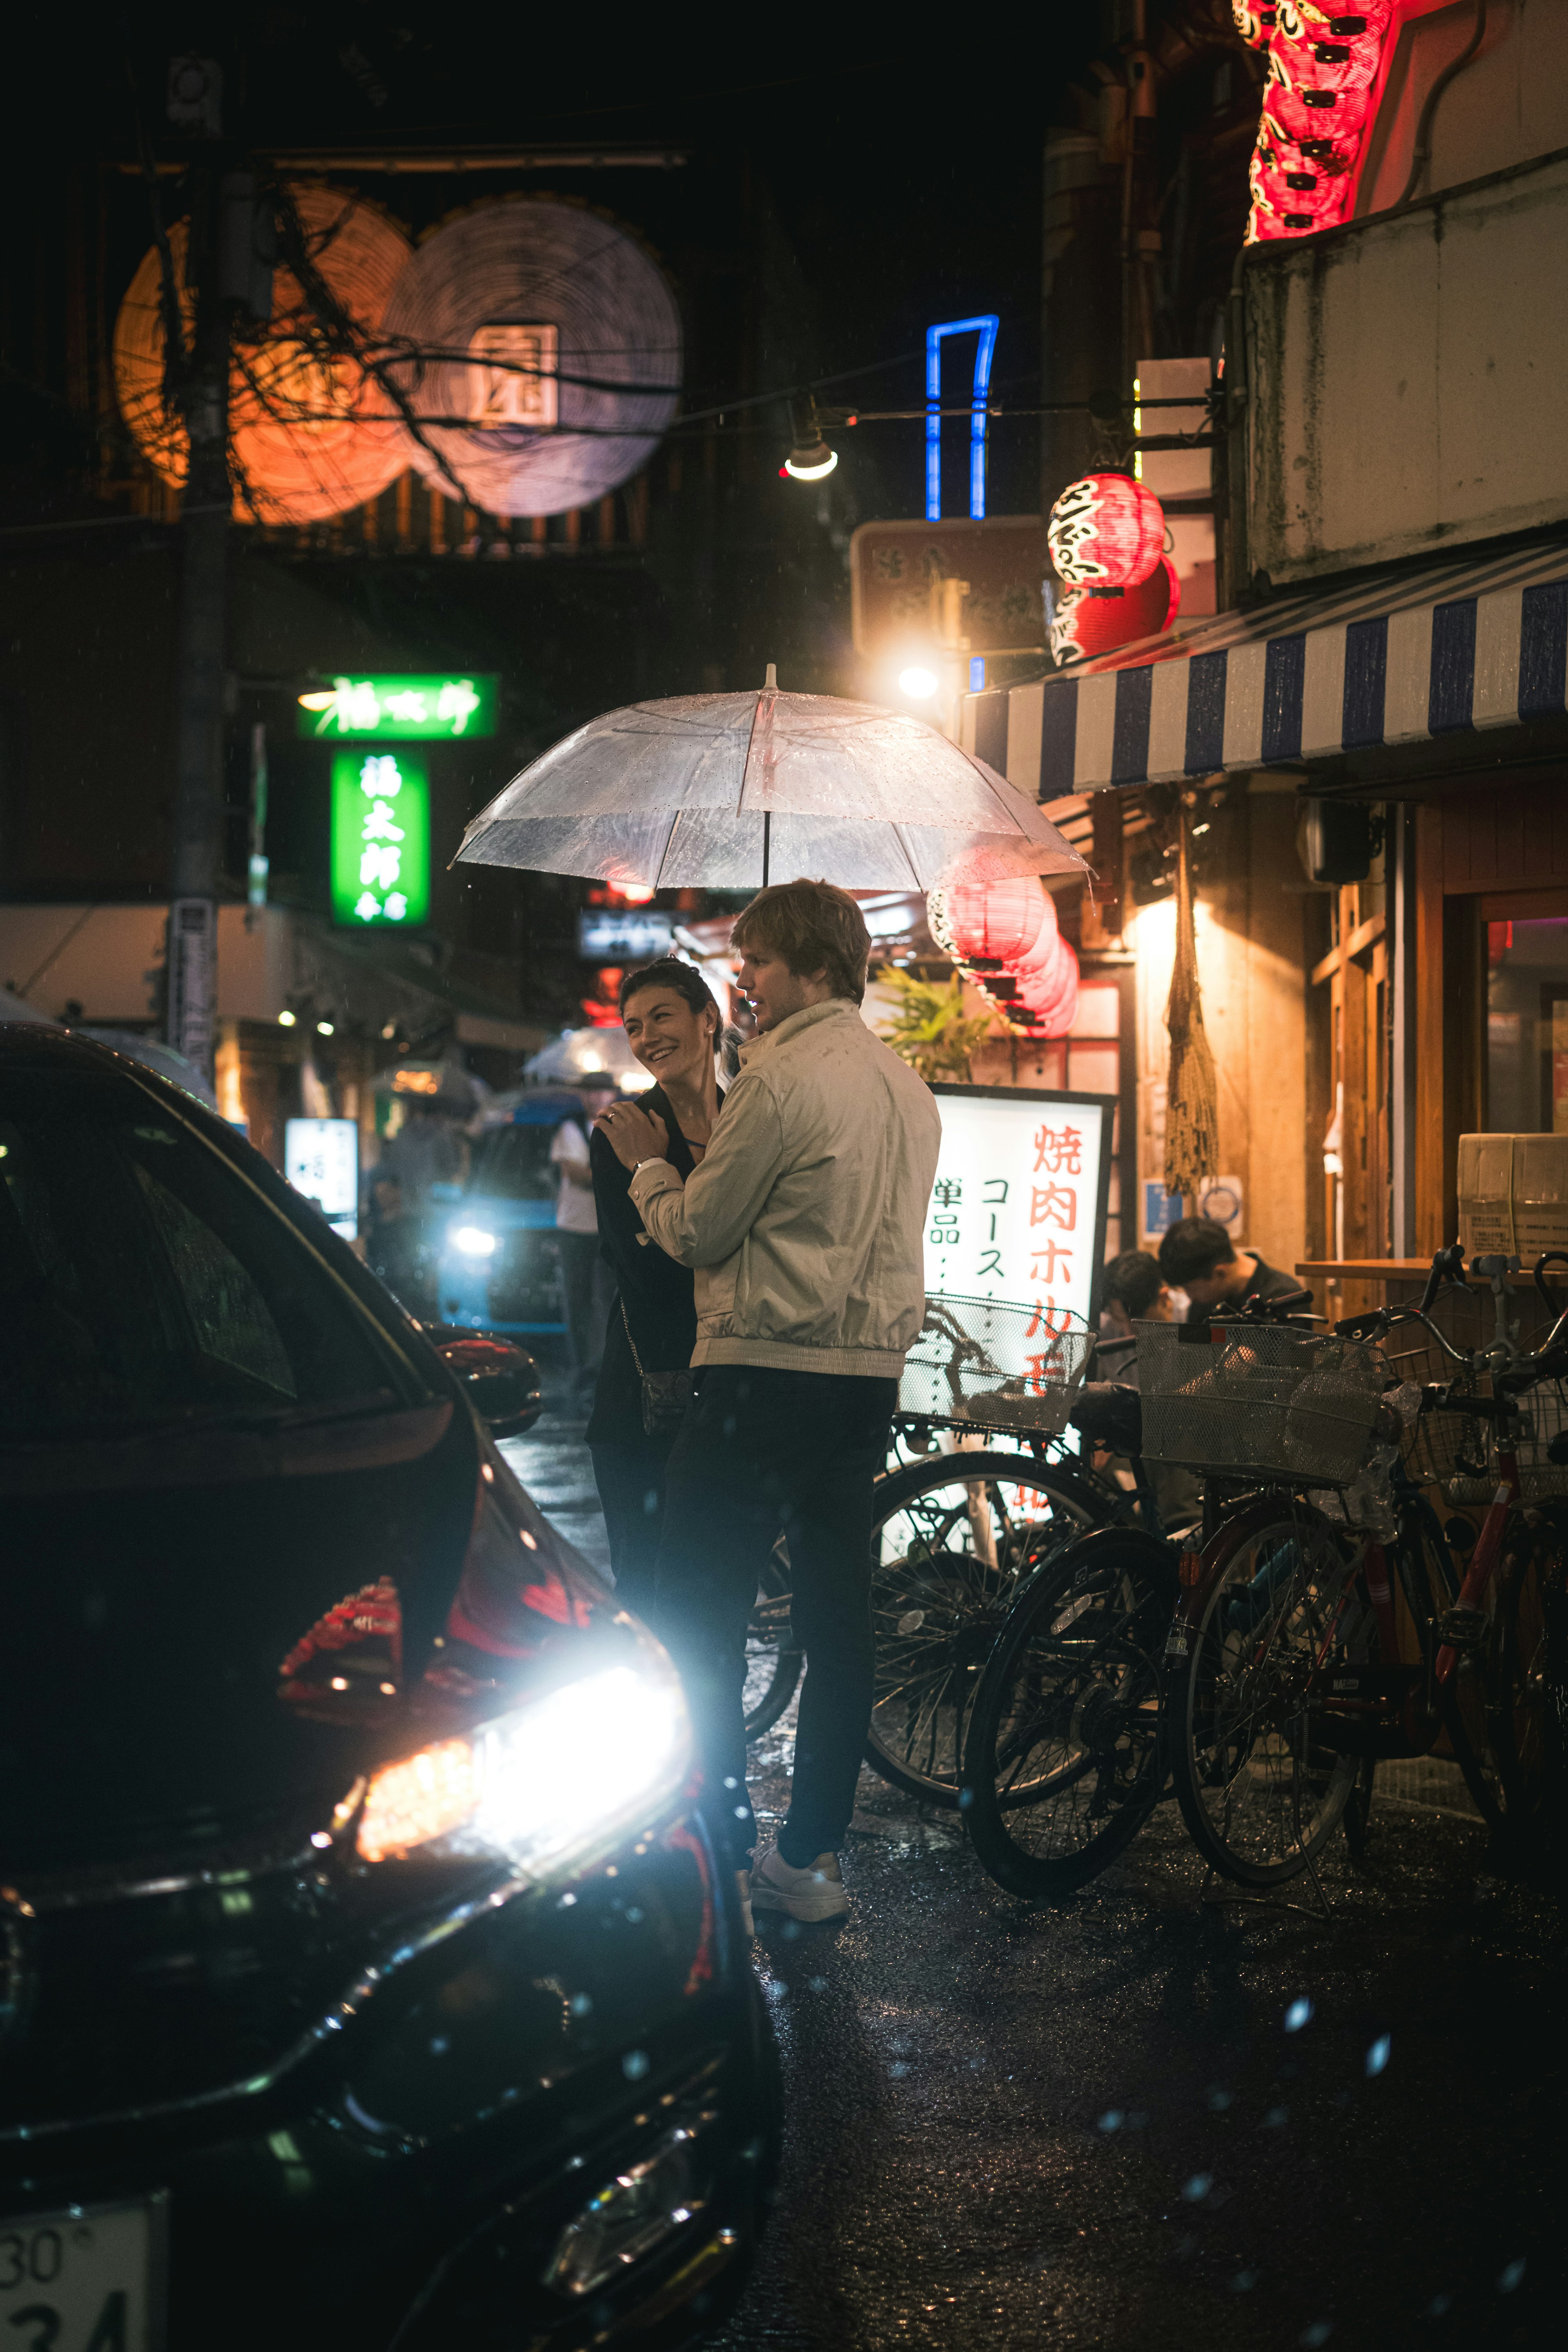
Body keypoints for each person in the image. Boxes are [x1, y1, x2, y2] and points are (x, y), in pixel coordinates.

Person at [595, 879, 941, 1932]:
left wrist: (650, 1170)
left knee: (695, 1620)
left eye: (755, 965)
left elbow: (697, 1229)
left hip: (756, 1377)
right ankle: (810, 1856)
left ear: (811, 964)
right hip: (861, 1384)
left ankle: (712, 1837)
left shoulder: (779, 1079)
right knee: (840, 1626)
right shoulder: (905, 1087)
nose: (743, 985)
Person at [586, 962, 724, 1621]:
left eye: (661, 1016)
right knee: (644, 1592)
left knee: (715, 1590)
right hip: (642, 1402)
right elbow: (644, 1272)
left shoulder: (751, 1124)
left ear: (708, 1019)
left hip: (732, 1397)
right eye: (634, 1027)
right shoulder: (622, 1131)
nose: (647, 1038)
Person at [552, 1079, 616, 1392]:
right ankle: (583, 1367)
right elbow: (575, 1176)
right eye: (591, 1091)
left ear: (613, 1094)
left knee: (606, 1300)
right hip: (574, 1227)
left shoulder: (619, 1126)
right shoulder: (570, 1129)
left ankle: (603, 1367)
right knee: (577, 1300)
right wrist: (610, 1173)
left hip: (606, 1228)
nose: (596, 1097)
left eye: (602, 1091)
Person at [1157, 1216, 1306, 1332]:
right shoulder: (1204, 1303)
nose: (1190, 1297)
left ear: (1220, 1273)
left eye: (1191, 1289)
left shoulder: (1285, 1299)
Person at [1096, 1248, 1176, 1378]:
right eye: (1119, 1319)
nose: (1129, 1334)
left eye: (1138, 1322)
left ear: (1163, 1299)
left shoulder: (1191, 1319)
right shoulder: (1104, 1330)